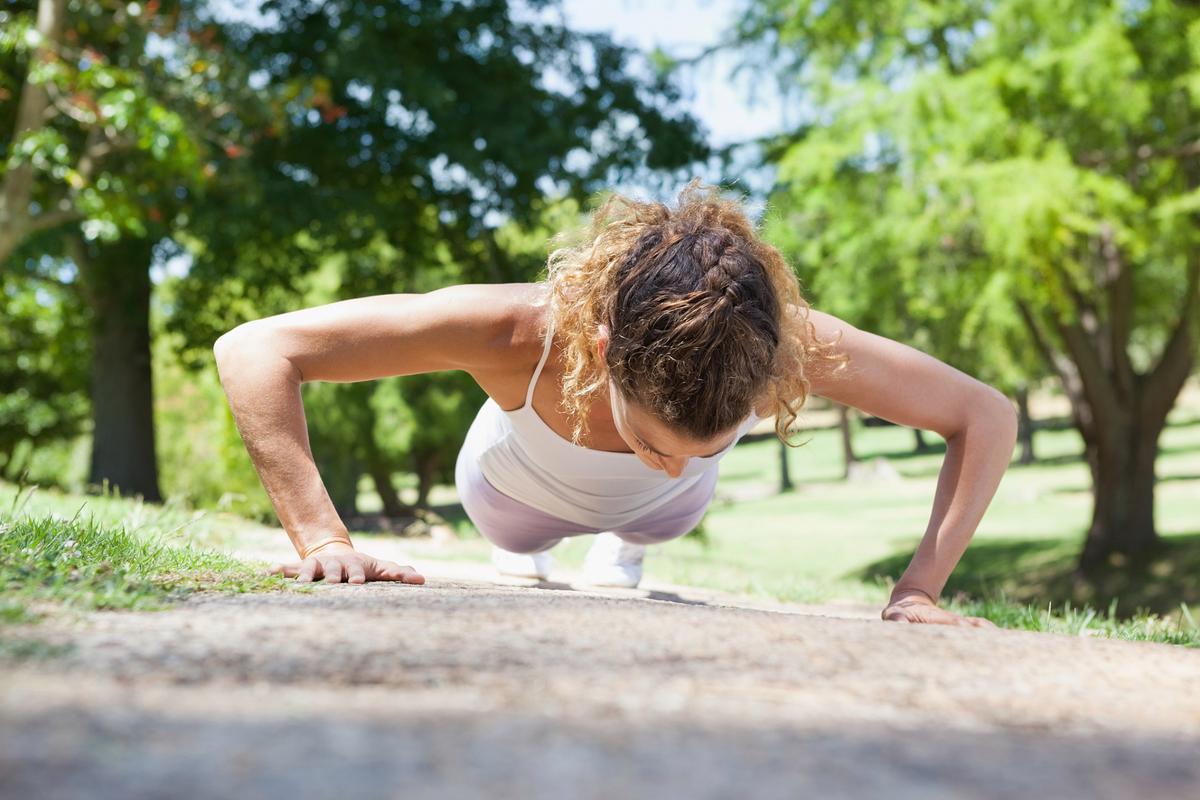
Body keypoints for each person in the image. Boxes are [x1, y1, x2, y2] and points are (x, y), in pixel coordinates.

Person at [214, 180, 1016, 626]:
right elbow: (254, 349)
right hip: (512, 497)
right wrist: (321, 536)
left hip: (664, 516)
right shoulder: (519, 331)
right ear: (602, 353)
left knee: (659, 508)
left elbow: (986, 415)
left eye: (704, 446)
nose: (671, 460)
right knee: (517, 537)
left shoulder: (786, 341)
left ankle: (624, 549)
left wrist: (918, 588)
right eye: (653, 440)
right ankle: (532, 555)